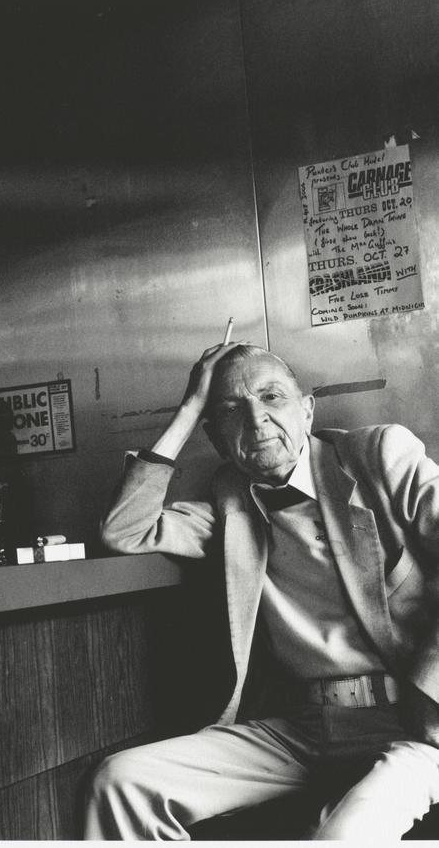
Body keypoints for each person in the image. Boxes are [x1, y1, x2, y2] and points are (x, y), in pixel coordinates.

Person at [84, 340, 439, 840]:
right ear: (215, 436)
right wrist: (188, 408)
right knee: (120, 781)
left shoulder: (379, 456)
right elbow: (125, 530)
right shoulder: (229, 498)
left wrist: (432, 695)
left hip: (413, 724)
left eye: (272, 397)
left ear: (308, 409)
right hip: (299, 728)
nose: (256, 420)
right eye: (232, 410)